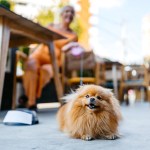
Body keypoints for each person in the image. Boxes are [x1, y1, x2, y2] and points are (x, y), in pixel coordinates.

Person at [22, 5, 78, 110]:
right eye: (67, 11)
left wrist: (71, 46)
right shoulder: (51, 25)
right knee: (31, 65)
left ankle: (29, 99)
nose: (69, 14)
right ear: (61, 14)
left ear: (73, 16)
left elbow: (71, 53)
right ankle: (31, 101)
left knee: (45, 71)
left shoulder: (73, 35)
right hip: (39, 54)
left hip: (53, 60)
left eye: (71, 12)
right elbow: (39, 36)